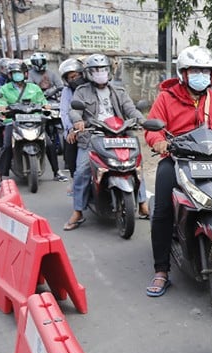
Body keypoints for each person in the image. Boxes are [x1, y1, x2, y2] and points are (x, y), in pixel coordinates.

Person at [143, 45, 212, 296]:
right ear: (183, 73)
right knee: (162, 210)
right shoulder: (167, 98)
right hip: (177, 159)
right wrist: (158, 140)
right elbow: (152, 128)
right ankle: (161, 270)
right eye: (195, 70)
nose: (201, 75)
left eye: (206, 71)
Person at [65, 53, 149, 230]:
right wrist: (77, 121)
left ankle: (142, 204)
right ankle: (78, 211)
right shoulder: (81, 91)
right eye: (96, 70)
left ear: (109, 71)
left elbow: (131, 109)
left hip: (119, 135)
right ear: (88, 73)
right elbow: (74, 111)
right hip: (92, 136)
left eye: (103, 69)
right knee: (82, 171)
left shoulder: (119, 91)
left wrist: (142, 121)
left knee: (136, 166)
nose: (100, 73)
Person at [0, 60, 53, 190]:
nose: (17, 75)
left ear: (25, 74)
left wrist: (46, 106)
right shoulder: (4, 89)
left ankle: (57, 172)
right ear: (10, 75)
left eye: (19, 72)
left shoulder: (34, 88)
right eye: (14, 73)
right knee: (7, 146)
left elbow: (43, 101)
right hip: (13, 122)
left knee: (49, 143)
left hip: (34, 120)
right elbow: (0, 102)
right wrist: (2, 108)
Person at [59, 57, 87, 188]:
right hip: (75, 128)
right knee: (70, 147)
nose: (72, 80)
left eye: (74, 76)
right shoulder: (67, 91)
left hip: (93, 127)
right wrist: (71, 128)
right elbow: (65, 112)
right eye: (69, 78)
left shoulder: (90, 87)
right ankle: (75, 180)